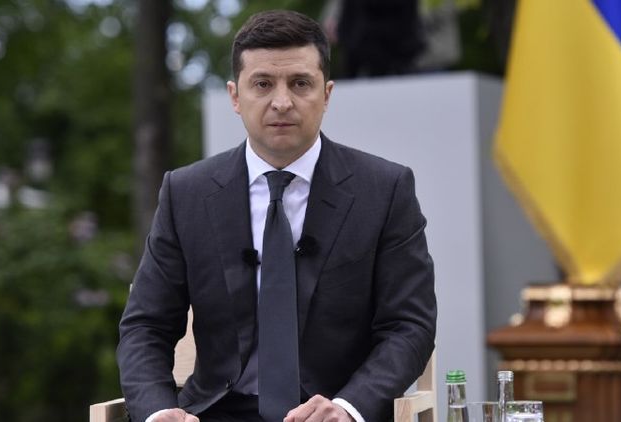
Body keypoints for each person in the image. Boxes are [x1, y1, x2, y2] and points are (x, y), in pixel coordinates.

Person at [117, 10, 436, 422]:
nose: (282, 102)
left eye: (300, 83)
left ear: (327, 94)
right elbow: (145, 327)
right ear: (235, 96)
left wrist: (348, 407)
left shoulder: (385, 190)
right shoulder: (186, 194)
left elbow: (409, 326)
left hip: (331, 412)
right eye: (263, 84)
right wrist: (159, 411)